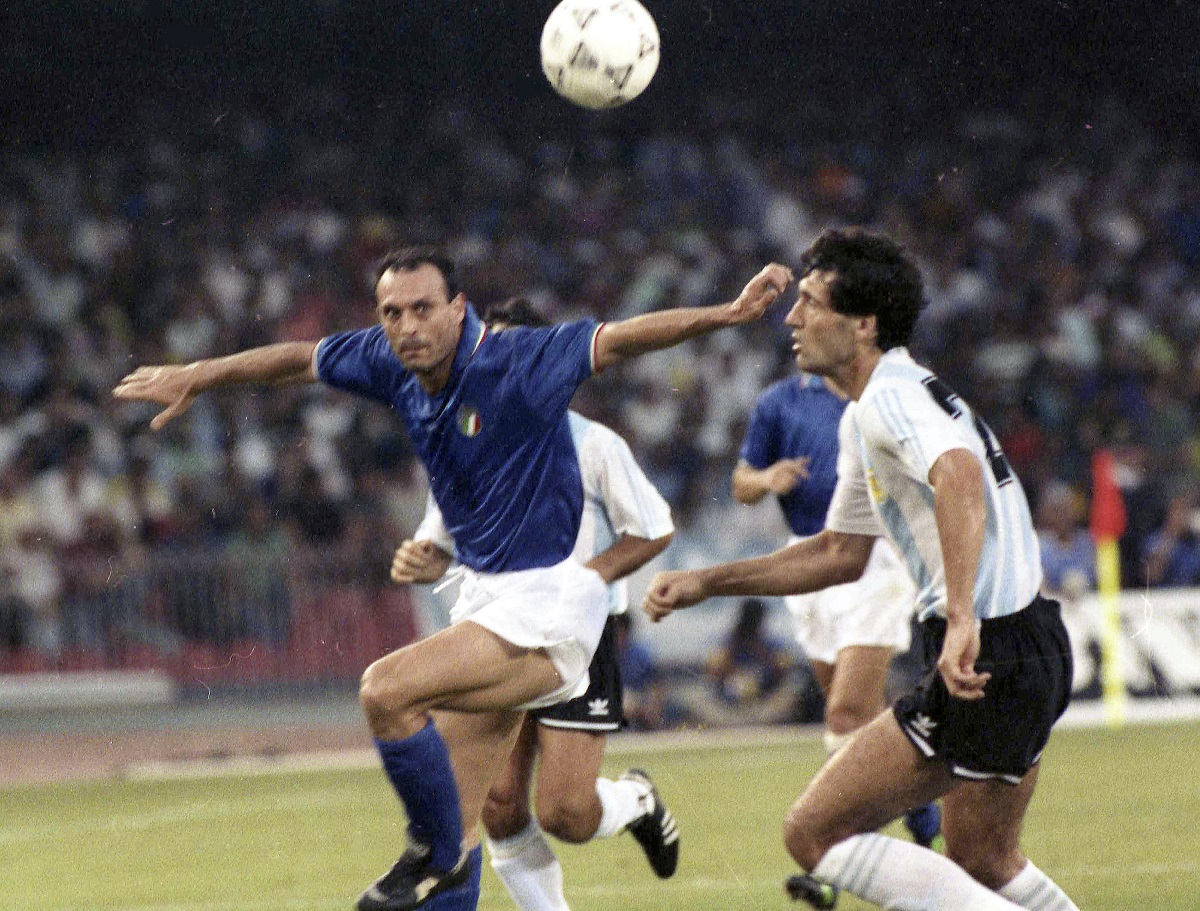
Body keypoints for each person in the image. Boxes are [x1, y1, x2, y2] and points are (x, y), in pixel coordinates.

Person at [114, 246, 790, 911]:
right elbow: (296, 359)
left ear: (457, 308)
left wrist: (727, 314)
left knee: (391, 693)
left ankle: (429, 850)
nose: (407, 325)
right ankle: (442, 859)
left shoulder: (518, 361)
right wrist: (199, 375)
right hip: (486, 602)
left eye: (422, 309)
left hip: (553, 606)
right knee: (478, 823)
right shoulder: (390, 360)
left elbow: (624, 339)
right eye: (391, 312)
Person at [644, 229, 1078, 911]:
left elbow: (959, 473)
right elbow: (837, 554)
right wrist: (707, 582)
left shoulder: (887, 400)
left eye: (810, 303)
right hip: (1027, 639)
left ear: (863, 324)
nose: (791, 317)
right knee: (984, 859)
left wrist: (961, 613)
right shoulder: (879, 406)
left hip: (988, 646)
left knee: (815, 831)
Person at [390, 297, 678, 911]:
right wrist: (421, 557)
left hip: (577, 635)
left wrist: (582, 583)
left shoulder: (595, 445)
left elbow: (653, 528)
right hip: (498, 631)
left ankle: (636, 801)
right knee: (495, 805)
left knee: (566, 813)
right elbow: (437, 540)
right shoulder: (463, 441)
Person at [732, 342, 942, 888]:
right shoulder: (778, 403)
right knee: (860, 715)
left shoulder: (876, 396)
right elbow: (742, 482)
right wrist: (767, 478)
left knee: (844, 716)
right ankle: (916, 801)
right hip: (809, 566)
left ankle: (836, 852)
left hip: (872, 560)